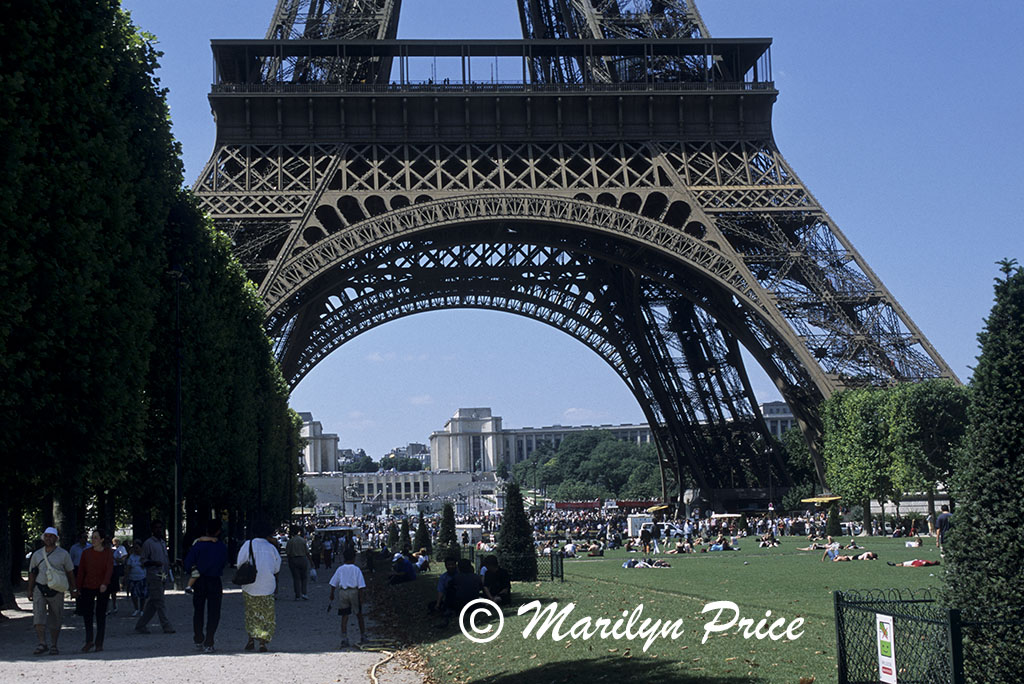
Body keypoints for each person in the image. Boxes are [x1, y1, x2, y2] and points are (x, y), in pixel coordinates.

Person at [27, 527, 78, 656]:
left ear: (56, 538)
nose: (48, 538)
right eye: (46, 536)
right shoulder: (37, 554)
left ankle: (54, 644)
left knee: (56, 617)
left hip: (57, 589)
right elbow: (32, 573)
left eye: (51, 536)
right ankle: (42, 643)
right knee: (38, 616)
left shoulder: (63, 554)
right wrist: (30, 590)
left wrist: (73, 589)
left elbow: (70, 572)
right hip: (40, 587)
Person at [183, 518, 228, 653]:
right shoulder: (221, 546)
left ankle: (198, 637)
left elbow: (188, 564)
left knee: (198, 610)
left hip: (199, 580)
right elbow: (224, 562)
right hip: (214, 579)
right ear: (219, 531)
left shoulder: (198, 545)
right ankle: (209, 639)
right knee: (214, 612)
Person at [237, 519, 282, 652]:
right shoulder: (271, 548)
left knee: (251, 613)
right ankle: (263, 642)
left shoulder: (247, 545)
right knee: (267, 614)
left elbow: (240, 563)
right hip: (267, 585)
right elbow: (276, 568)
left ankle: (251, 639)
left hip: (249, 585)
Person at [76, 528, 114, 652]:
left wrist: (105, 583)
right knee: (87, 614)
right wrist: (78, 587)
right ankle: (89, 640)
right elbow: (81, 571)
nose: (93, 540)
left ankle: (99, 642)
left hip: (102, 587)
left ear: (102, 540)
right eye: (92, 537)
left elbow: (109, 569)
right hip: (88, 586)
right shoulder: (86, 553)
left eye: (96, 537)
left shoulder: (108, 553)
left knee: (100, 614)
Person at [135, 520, 175, 634]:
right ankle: (166, 625)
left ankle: (141, 625)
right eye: (156, 528)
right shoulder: (148, 543)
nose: (159, 530)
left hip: (163, 575)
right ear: (152, 530)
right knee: (160, 602)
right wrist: (154, 563)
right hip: (153, 576)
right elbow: (143, 561)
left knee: (153, 603)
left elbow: (165, 559)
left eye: (160, 528)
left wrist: (171, 565)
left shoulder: (162, 542)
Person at [328, 548, 367, 647]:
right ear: (353, 558)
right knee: (359, 614)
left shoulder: (340, 569)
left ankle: (344, 638)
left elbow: (333, 583)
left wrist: (332, 594)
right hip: (354, 592)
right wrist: (361, 597)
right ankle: (363, 636)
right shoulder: (356, 569)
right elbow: (361, 585)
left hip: (343, 593)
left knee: (344, 616)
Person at [285, 525, 312, 600]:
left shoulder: (290, 541)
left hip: (293, 560)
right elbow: (307, 552)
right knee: (304, 577)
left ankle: (297, 595)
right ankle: (304, 593)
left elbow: (288, 553)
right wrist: (311, 562)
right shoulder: (302, 540)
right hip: (303, 559)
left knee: (296, 578)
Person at [125, 541, 147, 616]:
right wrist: (126, 576)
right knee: (134, 594)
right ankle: (136, 609)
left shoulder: (144, 556)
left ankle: (142, 609)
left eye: (137, 548)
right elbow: (128, 567)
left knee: (142, 595)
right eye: (134, 548)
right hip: (133, 578)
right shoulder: (131, 557)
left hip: (142, 577)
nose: (136, 549)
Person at [109, 537, 127, 614]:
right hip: (111, 567)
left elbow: (123, 558)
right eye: (115, 541)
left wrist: (116, 559)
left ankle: (121, 586)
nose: (116, 543)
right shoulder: (111, 548)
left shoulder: (122, 548)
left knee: (118, 580)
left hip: (117, 567)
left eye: (117, 541)